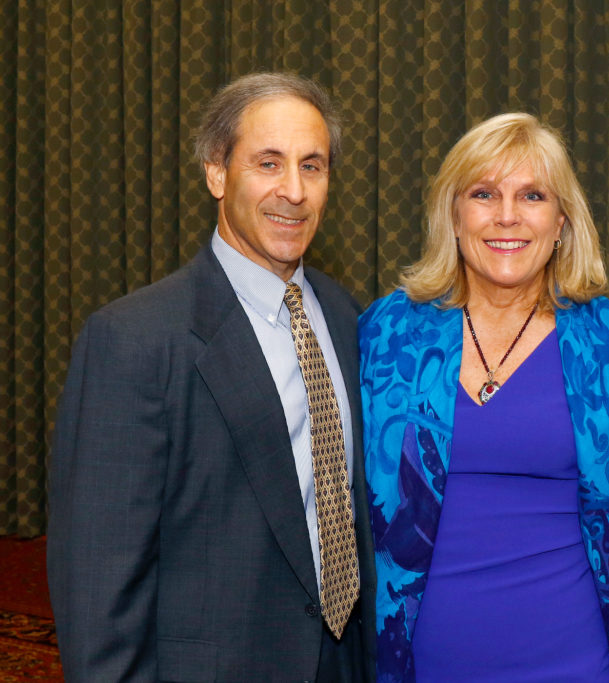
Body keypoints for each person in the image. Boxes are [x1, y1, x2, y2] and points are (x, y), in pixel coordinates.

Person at [47, 72, 375, 682]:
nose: (294, 191)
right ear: (217, 173)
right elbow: (98, 579)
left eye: (313, 166)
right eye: (269, 163)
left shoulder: (350, 318)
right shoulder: (134, 341)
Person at [359, 113, 609, 682]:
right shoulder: (386, 333)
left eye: (532, 195)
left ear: (561, 222)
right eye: (484, 194)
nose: (507, 216)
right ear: (453, 216)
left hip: (577, 663)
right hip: (419, 663)